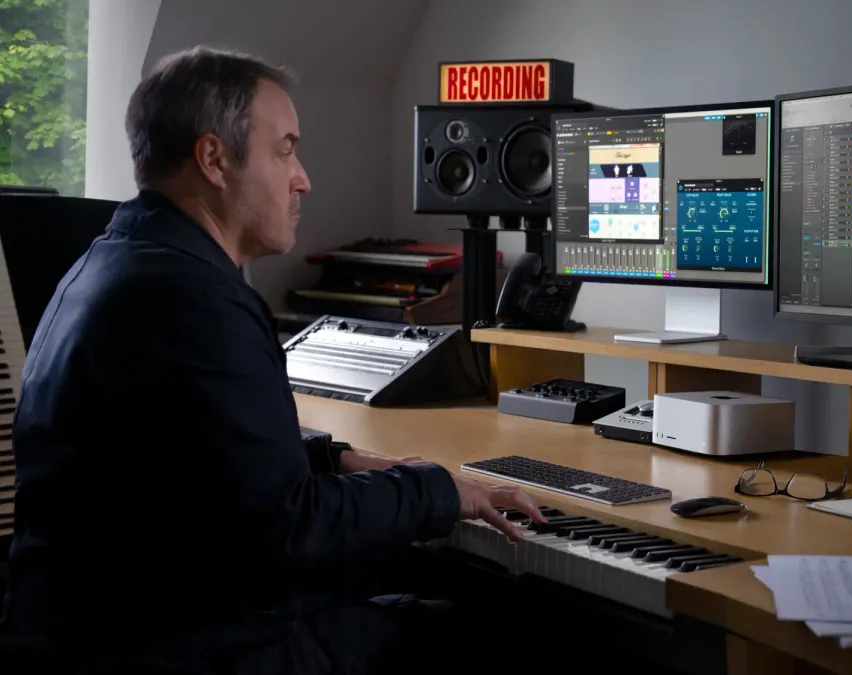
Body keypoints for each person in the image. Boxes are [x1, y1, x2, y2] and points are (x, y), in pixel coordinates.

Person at [3, 45, 548, 674]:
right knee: (510, 629)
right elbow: (291, 528)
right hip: (187, 649)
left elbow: (196, 460)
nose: (303, 178)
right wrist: (438, 489)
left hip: (101, 632)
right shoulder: (191, 300)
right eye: (285, 150)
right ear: (213, 159)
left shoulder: (110, 264)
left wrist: (335, 459)